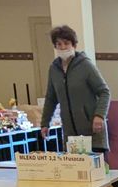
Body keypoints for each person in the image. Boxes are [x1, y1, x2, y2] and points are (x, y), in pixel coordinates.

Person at [40, 25, 112, 154]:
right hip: (70, 133)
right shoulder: (54, 69)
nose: (62, 47)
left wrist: (99, 115)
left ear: (74, 45)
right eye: (59, 44)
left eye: (66, 43)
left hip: (92, 130)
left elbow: (104, 92)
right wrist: (45, 123)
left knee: (96, 170)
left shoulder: (85, 65)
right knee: (74, 170)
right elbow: (51, 98)